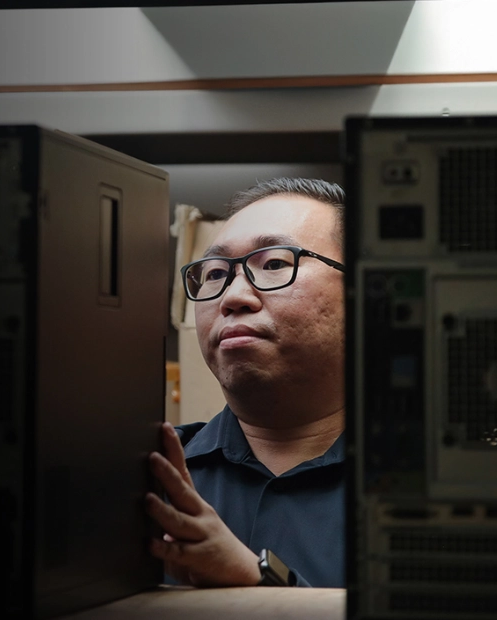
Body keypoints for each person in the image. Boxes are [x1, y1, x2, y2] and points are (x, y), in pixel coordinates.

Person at [147, 178, 348, 588]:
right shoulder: (147, 480)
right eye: (215, 273)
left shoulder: (436, 489)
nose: (233, 297)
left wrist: (257, 584)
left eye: (273, 264)